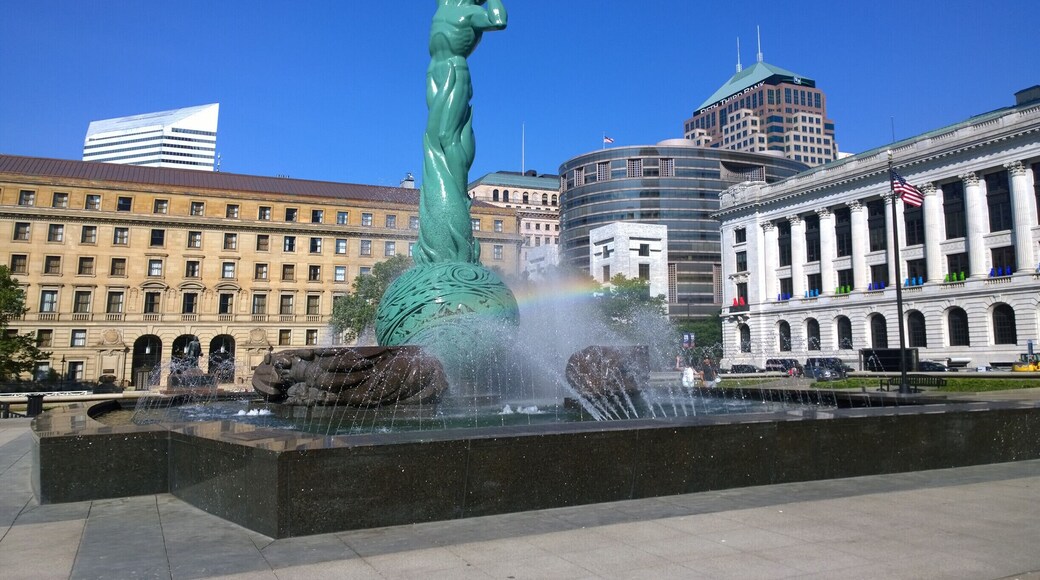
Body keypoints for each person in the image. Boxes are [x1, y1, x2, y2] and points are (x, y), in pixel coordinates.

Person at [413, 0, 508, 266]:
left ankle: (457, 193)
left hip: (456, 69)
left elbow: (498, 21)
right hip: (434, 70)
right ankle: (438, 223)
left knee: (446, 136)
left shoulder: (474, 11)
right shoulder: (444, 3)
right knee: (433, 140)